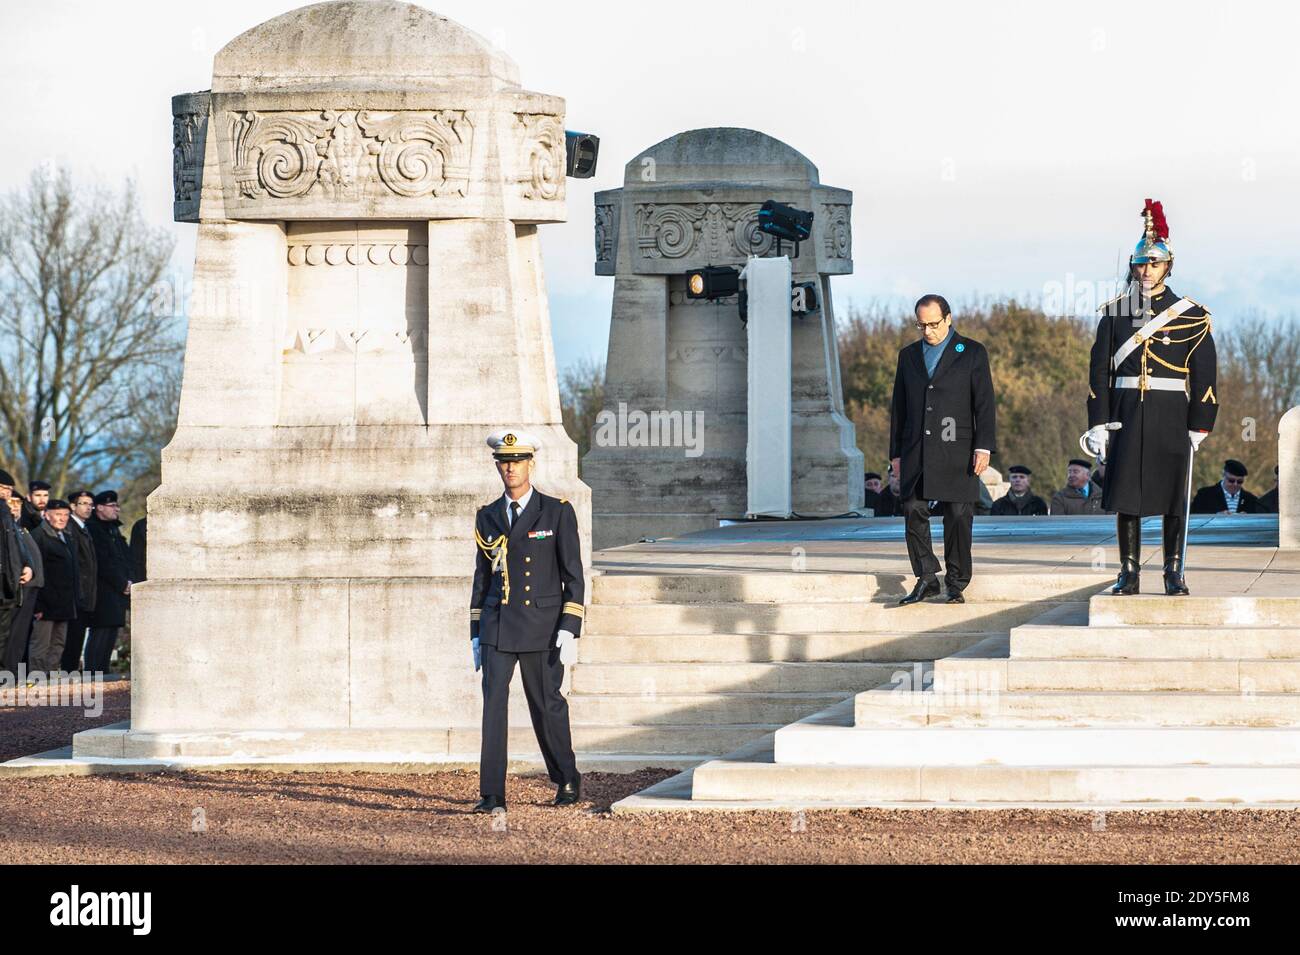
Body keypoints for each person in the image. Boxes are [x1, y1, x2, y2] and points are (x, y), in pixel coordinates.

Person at [1083, 199, 1217, 595]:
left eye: (1154, 264)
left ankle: (1173, 571)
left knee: (1173, 496)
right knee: (1128, 494)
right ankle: (1128, 571)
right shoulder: (1115, 313)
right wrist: (1098, 422)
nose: (1146, 270)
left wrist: (1201, 422)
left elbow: (1205, 375)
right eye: (1140, 264)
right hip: (1125, 411)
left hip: (1171, 413)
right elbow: (1099, 373)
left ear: (1167, 266)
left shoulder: (1191, 315)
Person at [469, 429, 584, 813]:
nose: (510, 468)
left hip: (543, 625)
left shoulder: (556, 511)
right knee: (493, 707)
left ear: (530, 464)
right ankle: (491, 794)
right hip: (498, 625)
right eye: (504, 462)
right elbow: (482, 578)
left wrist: (570, 626)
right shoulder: (487, 516)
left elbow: (573, 575)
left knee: (546, 705)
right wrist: (475, 632)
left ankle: (566, 777)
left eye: (516, 461)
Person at [890, 294, 997, 605]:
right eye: (921, 325)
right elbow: (899, 407)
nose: (927, 331)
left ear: (948, 319)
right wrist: (895, 455)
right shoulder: (908, 356)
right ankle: (926, 577)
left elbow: (984, 404)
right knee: (913, 509)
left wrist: (984, 446)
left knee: (958, 514)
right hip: (916, 448)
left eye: (933, 324)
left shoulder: (972, 352)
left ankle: (956, 580)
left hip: (958, 447)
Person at [85, 490, 133, 673]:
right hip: (103, 590)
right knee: (101, 631)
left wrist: (129, 581)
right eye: (112, 506)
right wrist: (122, 583)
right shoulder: (94, 529)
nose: (117, 509)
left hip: (117, 590)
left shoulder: (113, 529)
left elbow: (124, 557)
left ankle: (102, 669)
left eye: (116, 505)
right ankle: (93, 671)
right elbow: (103, 562)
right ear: (99, 508)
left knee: (111, 630)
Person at [30, 500, 79, 676]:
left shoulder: (66, 536)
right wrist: (38, 605)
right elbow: (36, 572)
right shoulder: (38, 536)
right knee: (40, 645)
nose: (62, 518)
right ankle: (36, 681)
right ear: (47, 514)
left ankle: (50, 679)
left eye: (66, 515)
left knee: (58, 644)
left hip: (64, 602)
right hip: (45, 603)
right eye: (58, 514)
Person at [3, 494, 43, 675]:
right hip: (14, 588)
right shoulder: (9, 529)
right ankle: (8, 674)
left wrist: (30, 567)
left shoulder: (20, 529)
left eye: (17, 504)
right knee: (11, 636)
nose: (14, 507)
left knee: (19, 637)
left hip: (28, 587)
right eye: (10, 504)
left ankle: (12, 674)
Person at [59, 490, 98, 672]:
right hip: (76, 594)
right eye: (83, 503)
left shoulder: (84, 527)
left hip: (85, 593)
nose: (88, 507)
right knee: (72, 639)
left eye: (90, 504)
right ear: (73, 506)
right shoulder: (71, 528)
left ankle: (71, 671)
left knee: (78, 637)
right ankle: (68, 673)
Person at [0, 471, 34, 676]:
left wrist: (27, 564)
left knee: (4, 634)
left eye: (10, 490)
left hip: (9, 584)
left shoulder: (7, 514)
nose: (7, 493)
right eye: (3, 489)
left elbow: (17, 545)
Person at [1191, 459, 1258, 514]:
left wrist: (1248, 518)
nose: (1235, 484)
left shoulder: (1251, 499)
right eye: (1231, 480)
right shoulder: (1204, 495)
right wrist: (1216, 516)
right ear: (1223, 475)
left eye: (1239, 481)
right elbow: (1193, 515)